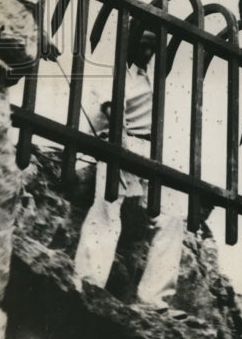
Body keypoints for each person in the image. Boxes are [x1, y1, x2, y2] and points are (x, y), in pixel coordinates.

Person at [73, 28, 186, 312]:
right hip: (118, 144)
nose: (147, 53)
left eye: (152, 47)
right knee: (107, 207)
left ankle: (154, 299)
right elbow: (109, 113)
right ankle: (89, 280)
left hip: (149, 152)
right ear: (129, 43)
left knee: (173, 214)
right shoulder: (111, 73)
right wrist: (117, 145)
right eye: (142, 45)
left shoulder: (155, 79)